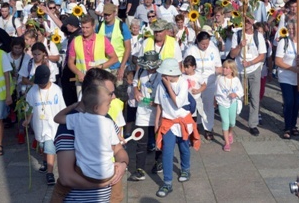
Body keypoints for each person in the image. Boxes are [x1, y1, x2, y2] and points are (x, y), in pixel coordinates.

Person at [52, 68, 129, 203]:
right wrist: (100, 184)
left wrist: (122, 164)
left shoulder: (106, 118)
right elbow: (66, 177)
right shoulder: (69, 125)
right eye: (110, 93)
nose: (114, 97)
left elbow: (118, 149)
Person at [154, 58, 200, 198]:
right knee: (167, 151)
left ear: (170, 74)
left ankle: (185, 169)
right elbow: (159, 105)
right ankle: (167, 183)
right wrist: (157, 123)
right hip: (168, 122)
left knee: (184, 147)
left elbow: (178, 103)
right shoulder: (160, 84)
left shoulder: (183, 83)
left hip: (182, 121)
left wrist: (168, 86)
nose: (162, 76)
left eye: (164, 74)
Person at [24, 64, 66, 185]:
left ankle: (50, 173)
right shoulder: (32, 91)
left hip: (52, 125)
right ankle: (45, 162)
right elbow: (29, 108)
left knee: (50, 147)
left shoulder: (56, 90)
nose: (41, 85)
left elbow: (62, 108)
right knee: (42, 146)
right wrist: (27, 120)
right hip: (39, 124)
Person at [229, 13, 266, 136]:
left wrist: (250, 63)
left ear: (253, 21)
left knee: (255, 98)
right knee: (237, 96)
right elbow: (233, 54)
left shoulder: (258, 36)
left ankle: (253, 124)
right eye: (244, 21)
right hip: (239, 69)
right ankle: (231, 119)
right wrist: (240, 46)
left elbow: (262, 56)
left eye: (249, 21)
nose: (247, 23)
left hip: (254, 69)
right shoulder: (237, 34)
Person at [128, 52, 163, 182]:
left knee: (158, 139)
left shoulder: (161, 74)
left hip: (157, 111)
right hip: (142, 111)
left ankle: (159, 162)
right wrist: (136, 92)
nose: (149, 68)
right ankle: (140, 170)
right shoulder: (141, 70)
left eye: (151, 66)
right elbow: (134, 84)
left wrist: (156, 102)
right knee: (141, 141)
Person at [275, 21, 299, 139]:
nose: (291, 31)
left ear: (298, 30)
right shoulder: (283, 42)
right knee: (289, 102)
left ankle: (294, 125)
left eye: (293, 29)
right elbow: (278, 61)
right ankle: (287, 127)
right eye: (289, 29)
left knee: (296, 103)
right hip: (286, 77)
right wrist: (292, 68)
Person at [67, 14, 119, 95]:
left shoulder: (102, 39)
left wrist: (101, 67)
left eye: (87, 27)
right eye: (83, 27)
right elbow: (70, 62)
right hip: (82, 82)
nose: (84, 30)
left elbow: (115, 58)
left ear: (93, 26)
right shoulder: (75, 41)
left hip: (100, 81)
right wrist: (78, 73)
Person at [184, 31, 222, 140]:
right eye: (202, 44)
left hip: (209, 82)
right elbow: (185, 66)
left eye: (207, 43)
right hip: (194, 82)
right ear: (198, 42)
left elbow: (218, 66)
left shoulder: (213, 50)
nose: (205, 46)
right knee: (192, 105)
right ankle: (192, 128)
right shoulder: (191, 50)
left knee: (208, 106)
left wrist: (220, 73)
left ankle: (208, 128)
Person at [98, 3, 131, 83]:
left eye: (109, 14)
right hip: (104, 64)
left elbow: (128, 48)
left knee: (119, 92)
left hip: (118, 64)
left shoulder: (122, 26)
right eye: (105, 14)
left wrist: (122, 67)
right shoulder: (99, 26)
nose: (107, 16)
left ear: (114, 13)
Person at [215, 59, 243, 151]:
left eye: (227, 68)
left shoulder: (236, 80)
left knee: (232, 122)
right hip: (222, 103)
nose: (224, 69)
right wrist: (215, 100)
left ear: (232, 70)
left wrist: (235, 94)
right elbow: (215, 91)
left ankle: (230, 132)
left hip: (232, 103)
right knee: (225, 122)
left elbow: (241, 91)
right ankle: (226, 143)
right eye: (224, 67)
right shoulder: (219, 79)